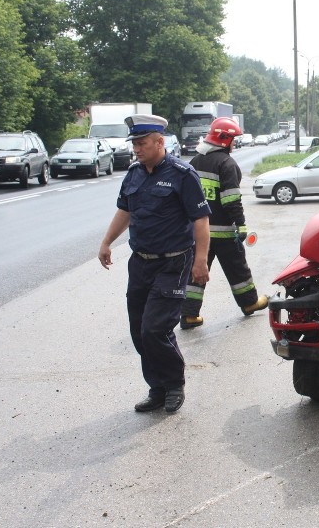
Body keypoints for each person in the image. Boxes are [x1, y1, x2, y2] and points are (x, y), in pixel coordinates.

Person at [98, 114, 211, 414]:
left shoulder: (182, 174)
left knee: (155, 329)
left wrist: (201, 261)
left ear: (160, 142)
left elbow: (200, 219)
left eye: (142, 143)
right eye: (134, 143)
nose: (137, 148)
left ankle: (174, 384)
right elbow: (125, 211)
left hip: (173, 263)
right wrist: (106, 242)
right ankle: (157, 388)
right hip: (140, 263)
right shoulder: (134, 174)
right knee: (138, 330)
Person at [180, 117, 268, 329]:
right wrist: (242, 224)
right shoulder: (227, 164)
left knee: (197, 271)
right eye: (233, 140)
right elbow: (230, 199)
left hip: (198, 232)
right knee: (238, 270)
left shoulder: (195, 162)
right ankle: (249, 304)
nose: (235, 144)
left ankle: (189, 315)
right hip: (223, 233)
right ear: (224, 139)